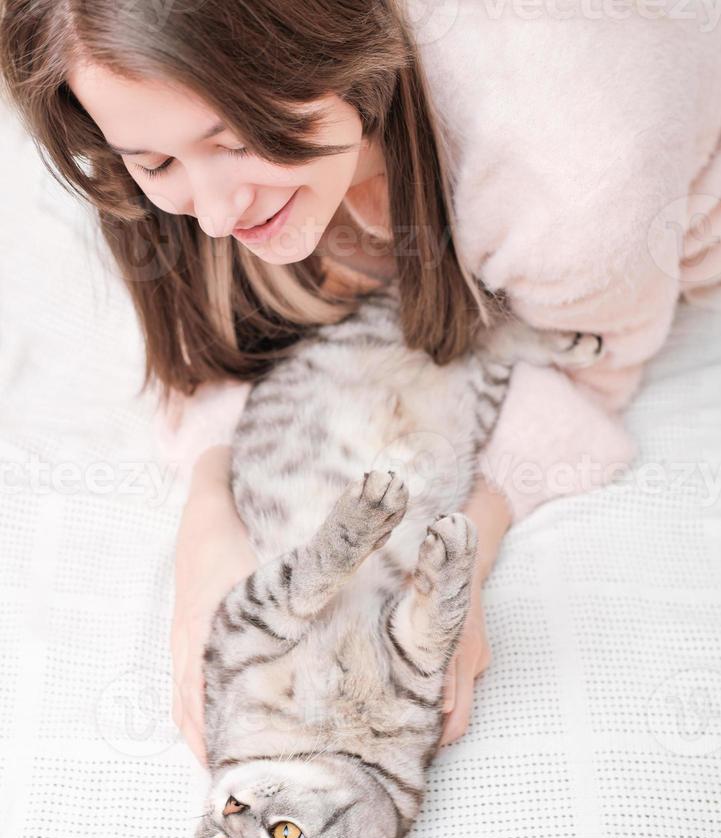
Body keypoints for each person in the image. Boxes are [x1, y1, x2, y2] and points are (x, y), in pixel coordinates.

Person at [1, 1, 718, 763]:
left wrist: (456, 559)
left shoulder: (569, 170)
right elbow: (213, 343)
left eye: (236, 140)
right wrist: (207, 516)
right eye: (156, 165)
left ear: (327, 39)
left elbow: (585, 372)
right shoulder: (154, 112)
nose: (212, 215)